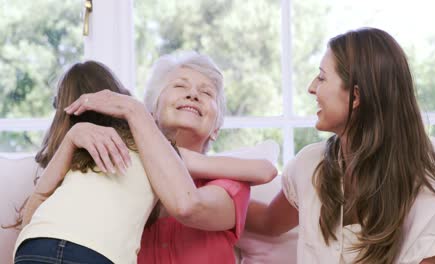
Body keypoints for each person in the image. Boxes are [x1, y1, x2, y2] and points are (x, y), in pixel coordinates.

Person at [18, 52, 277, 264]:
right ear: (152, 111)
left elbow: (190, 205)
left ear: (217, 127)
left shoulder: (230, 185)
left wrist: (135, 112)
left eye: (207, 93)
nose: (193, 94)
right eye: (179, 86)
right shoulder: (108, 158)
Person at [244, 28, 435, 264]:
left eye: (322, 77)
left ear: (355, 97)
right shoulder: (309, 165)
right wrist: (205, 179)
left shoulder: (419, 183)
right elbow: (268, 221)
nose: (312, 87)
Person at [13, 61, 158, 264]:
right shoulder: (153, 146)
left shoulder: (69, 159)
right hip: (97, 253)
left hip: (34, 244)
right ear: (120, 94)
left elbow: (33, 211)